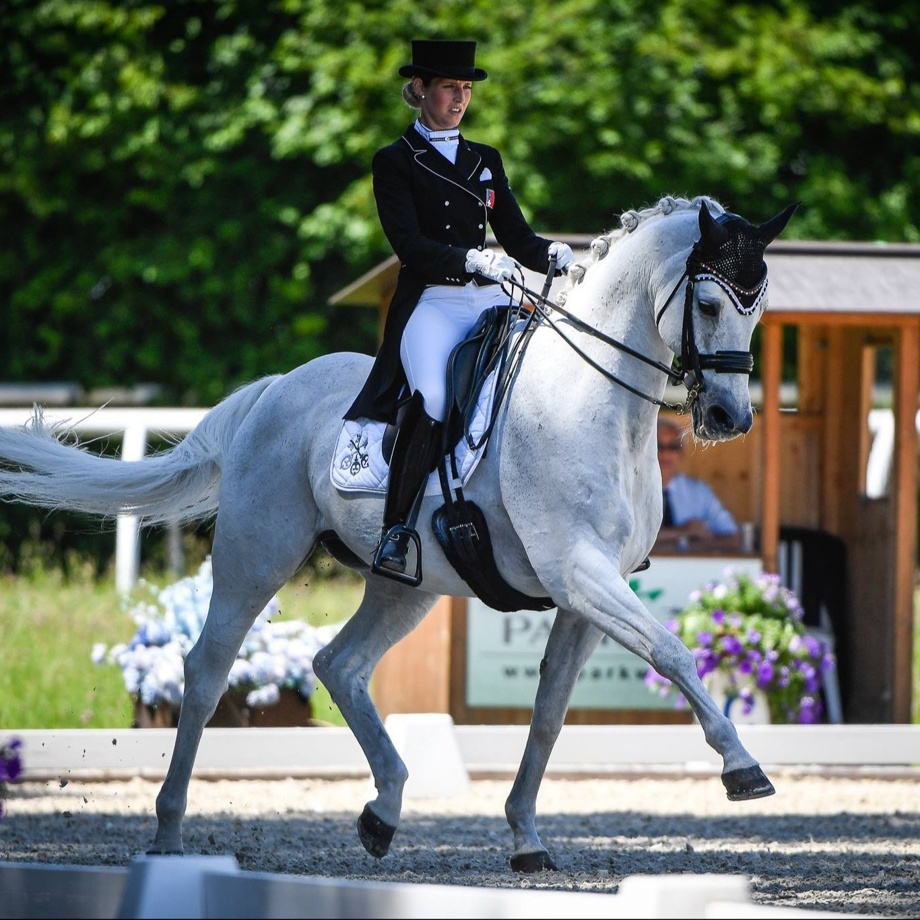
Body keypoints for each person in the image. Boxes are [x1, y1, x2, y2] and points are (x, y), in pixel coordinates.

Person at [344, 39, 574, 581]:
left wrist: (553, 255)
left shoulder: (484, 160)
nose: (460, 98)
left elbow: (516, 237)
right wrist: (471, 260)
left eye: (466, 89)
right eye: (450, 87)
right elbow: (408, 244)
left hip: (491, 295)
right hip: (434, 301)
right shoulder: (395, 161)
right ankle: (395, 530)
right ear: (420, 89)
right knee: (434, 395)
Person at [654, 416, 743, 554]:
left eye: (673, 447)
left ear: (682, 453)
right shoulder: (630, 490)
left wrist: (685, 545)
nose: (666, 453)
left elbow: (733, 539)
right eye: (658, 446)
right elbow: (629, 542)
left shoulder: (699, 492)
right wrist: (683, 532)